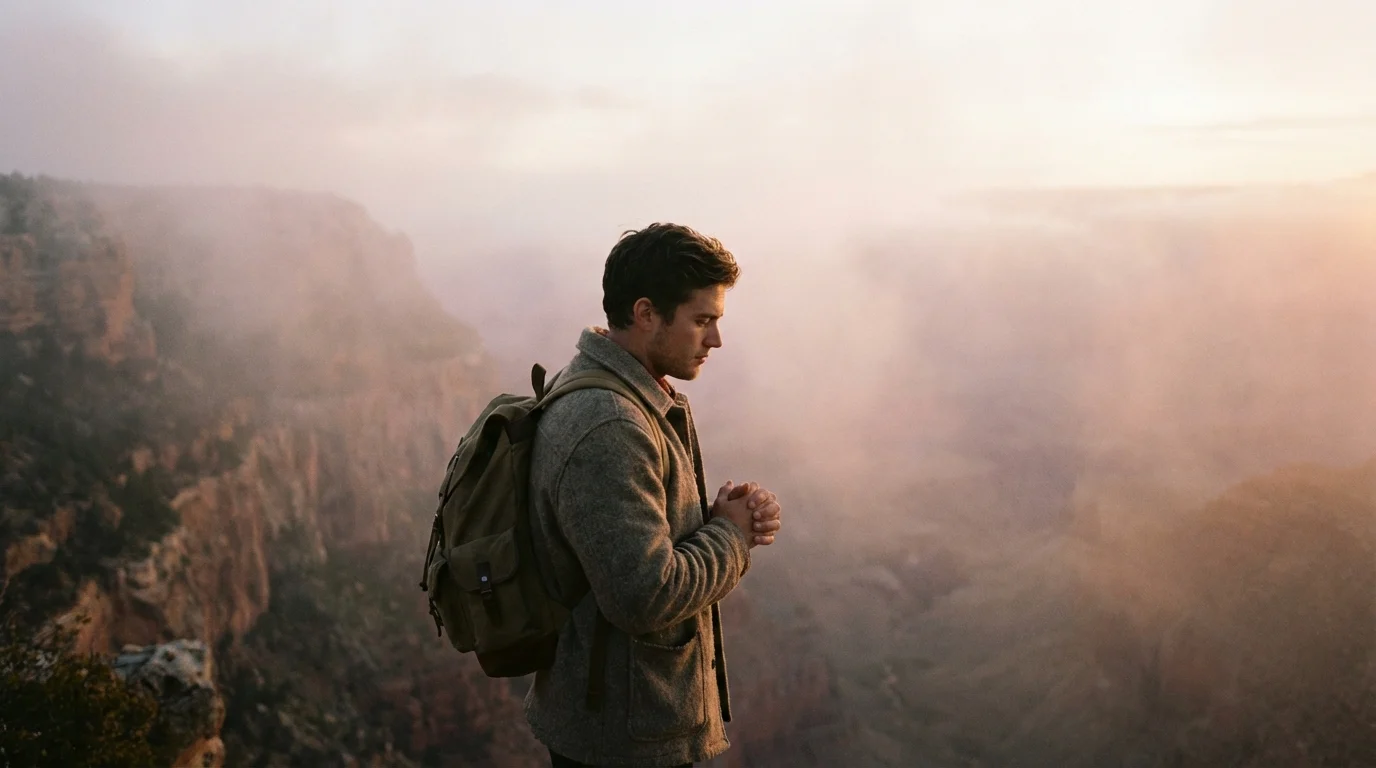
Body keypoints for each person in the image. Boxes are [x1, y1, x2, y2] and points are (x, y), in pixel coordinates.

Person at [524, 223, 784, 767]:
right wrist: (732, 536)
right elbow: (644, 595)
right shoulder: (609, 425)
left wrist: (713, 519)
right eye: (702, 320)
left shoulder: (633, 395)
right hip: (621, 741)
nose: (715, 340)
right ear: (646, 313)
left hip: (627, 721)